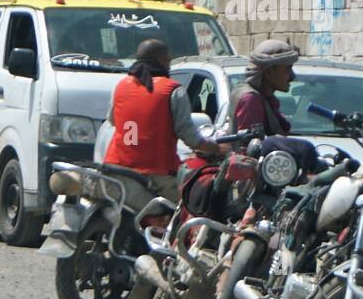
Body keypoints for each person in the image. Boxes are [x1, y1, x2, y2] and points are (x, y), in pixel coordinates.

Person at [102, 39, 223, 201]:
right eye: (168, 60)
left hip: (116, 169)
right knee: (195, 202)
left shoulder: (121, 86)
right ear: (162, 60)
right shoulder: (173, 90)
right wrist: (216, 148)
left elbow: (113, 120)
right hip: (157, 175)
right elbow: (191, 139)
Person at [229, 39, 300, 134]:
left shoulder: (266, 99)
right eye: (288, 68)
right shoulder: (251, 100)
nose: (292, 76)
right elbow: (248, 146)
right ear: (269, 71)